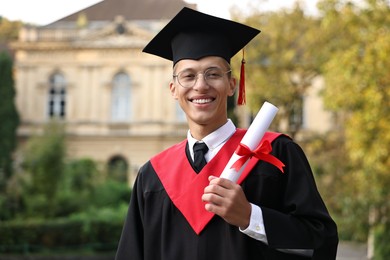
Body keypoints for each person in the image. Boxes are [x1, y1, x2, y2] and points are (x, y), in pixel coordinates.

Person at [115, 7, 338, 260]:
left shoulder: (276, 153)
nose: (201, 85)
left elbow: (322, 244)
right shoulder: (151, 176)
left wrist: (250, 217)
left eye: (213, 74)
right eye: (188, 76)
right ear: (173, 89)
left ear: (232, 85)